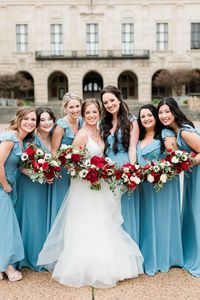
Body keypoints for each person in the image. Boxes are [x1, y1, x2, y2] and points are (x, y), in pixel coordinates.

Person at [38, 98, 143, 288]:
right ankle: (83, 266)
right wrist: (88, 171)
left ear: (99, 113)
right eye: (88, 113)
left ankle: (104, 263)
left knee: (102, 220)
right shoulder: (82, 134)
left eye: (95, 112)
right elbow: (72, 162)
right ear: (83, 115)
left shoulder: (100, 132)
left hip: (100, 183)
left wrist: (100, 170)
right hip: (84, 185)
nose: (92, 115)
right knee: (85, 221)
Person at [137, 104, 183, 275]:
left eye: (149, 115)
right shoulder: (139, 137)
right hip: (144, 187)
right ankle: (148, 255)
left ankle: (164, 257)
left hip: (163, 185)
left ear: (155, 116)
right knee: (148, 219)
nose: (147, 119)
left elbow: (175, 160)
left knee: (162, 219)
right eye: (143, 116)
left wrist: (158, 171)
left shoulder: (165, 134)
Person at [157, 97, 200, 277]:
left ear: (175, 111)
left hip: (197, 176)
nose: (164, 115)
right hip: (192, 177)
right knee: (192, 213)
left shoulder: (184, 133)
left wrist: (186, 164)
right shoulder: (172, 131)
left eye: (167, 111)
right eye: (160, 112)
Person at [15, 107, 56, 272]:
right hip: (30, 185)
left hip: (46, 187)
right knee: (32, 218)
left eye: (49, 119)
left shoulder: (54, 137)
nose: (46, 123)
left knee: (42, 218)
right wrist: (40, 174)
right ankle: (30, 257)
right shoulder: (31, 141)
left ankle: (43, 254)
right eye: (42, 120)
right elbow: (21, 167)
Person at [100, 85, 140, 243]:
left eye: (112, 100)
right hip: (107, 169)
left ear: (119, 99)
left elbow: (132, 148)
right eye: (105, 102)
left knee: (124, 208)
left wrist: (132, 170)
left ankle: (128, 246)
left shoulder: (132, 121)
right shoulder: (103, 122)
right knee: (108, 208)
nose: (109, 104)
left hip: (123, 166)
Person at [0, 107, 36, 281]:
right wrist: (5, 184)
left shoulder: (25, 141)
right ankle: (7, 267)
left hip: (9, 185)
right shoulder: (10, 138)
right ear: (19, 119)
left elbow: (21, 168)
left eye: (33, 120)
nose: (30, 122)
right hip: (1, 185)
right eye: (27, 118)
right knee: (6, 227)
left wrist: (42, 175)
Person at [50, 92, 82, 226]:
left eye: (77, 106)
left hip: (79, 169)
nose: (75, 110)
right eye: (71, 107)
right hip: (63, 170)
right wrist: (64, 165)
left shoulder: (82, 121)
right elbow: (54, 151)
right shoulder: (61, 126)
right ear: (65, 108)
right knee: (63, 202)